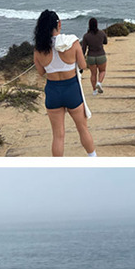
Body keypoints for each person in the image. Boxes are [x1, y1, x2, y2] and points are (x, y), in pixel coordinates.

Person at [33, 9, 96, 158]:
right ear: (59, 24)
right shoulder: (72, 42)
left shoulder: (38, 49)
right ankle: (93, 159)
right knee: (82, 129)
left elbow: (41, 72)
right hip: (71, 89)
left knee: (58, 135)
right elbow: (83, 65)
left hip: (53, 91)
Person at [81, 17, 108, 96]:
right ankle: (99, 83)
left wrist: (82, 58)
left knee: (93, 74)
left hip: (91, 56)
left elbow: (83, 49)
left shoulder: (86, 36)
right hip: (101, 55)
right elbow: (105, 42)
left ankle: (94, 91)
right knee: (102, 71)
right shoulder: (102, 33)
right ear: (97, 24)